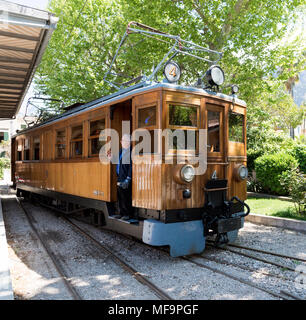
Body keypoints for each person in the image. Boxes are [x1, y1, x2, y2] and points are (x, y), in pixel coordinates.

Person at [116, 134, 133, 220]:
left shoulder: (131, 151)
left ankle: (127, 214)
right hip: (120, 176)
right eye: (121, 140)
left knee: (126, 197)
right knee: (120, 196)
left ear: (129, 142)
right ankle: (121, 213)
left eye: (123, 140)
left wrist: (128, 178)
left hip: (126, 178)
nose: (121, 142)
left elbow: (131, 166)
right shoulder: (121, 151)